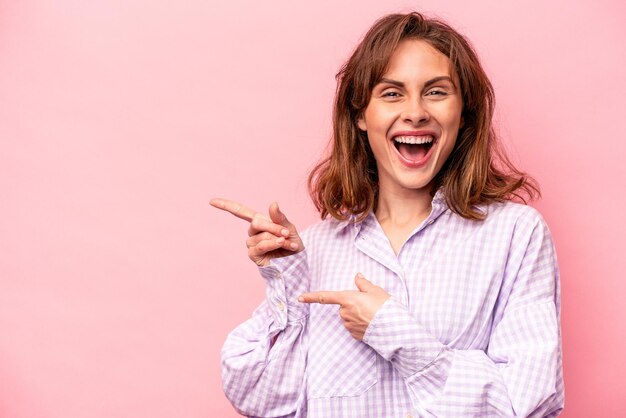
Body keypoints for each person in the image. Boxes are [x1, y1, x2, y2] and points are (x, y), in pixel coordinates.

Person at [211, 11, 563, 418]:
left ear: (464, 112)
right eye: (392, 93)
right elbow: (264, 401)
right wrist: (287, 280)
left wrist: (394, 334)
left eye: (436, 92)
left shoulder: (516, 235)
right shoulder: (317, 247)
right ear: (361, 115)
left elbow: (528, 403)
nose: (415, 112)